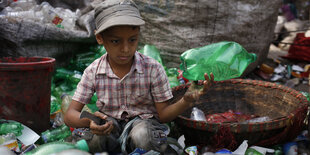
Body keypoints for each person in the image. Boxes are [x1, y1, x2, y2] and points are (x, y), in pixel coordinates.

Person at [64, 0, 214, 154]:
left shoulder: (153, 68)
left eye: (132, 39)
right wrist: (89, 122)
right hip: (110, 126)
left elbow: (163, 115)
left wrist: (186, 100)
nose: (126, 49)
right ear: (99, 38)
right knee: (92, 139)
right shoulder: (93, 71)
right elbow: (70, 115)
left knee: (142, 135)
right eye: (116, 41)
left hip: (144, 125)